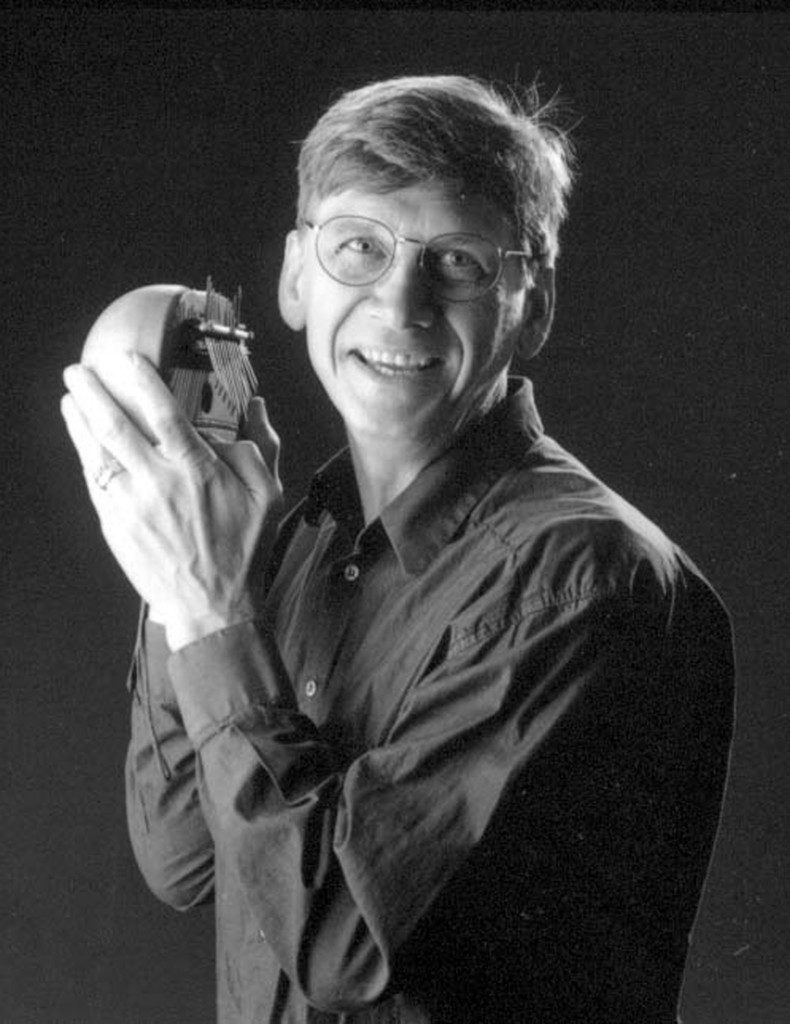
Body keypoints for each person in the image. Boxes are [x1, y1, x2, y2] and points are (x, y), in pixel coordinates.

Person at [61, 75, 735, 1024]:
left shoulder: (580, 581)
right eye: (359, 248)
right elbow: (182, 855)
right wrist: (195, 545)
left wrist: (212, 608)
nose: (399, 302)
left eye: (457, 260)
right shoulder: (286, 553)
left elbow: (342, 941)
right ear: (297, 279)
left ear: (530, 305)